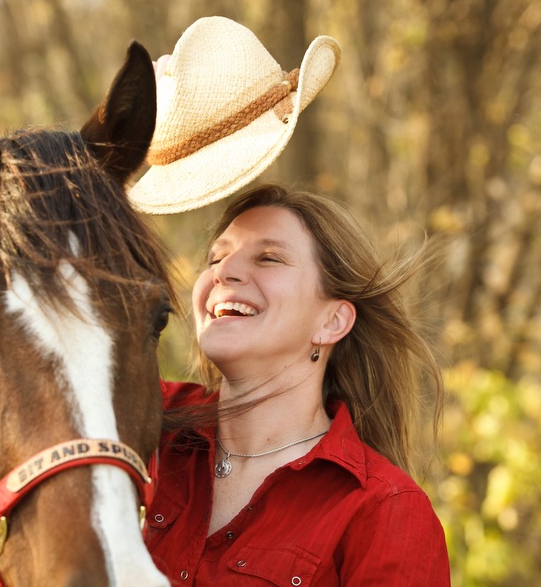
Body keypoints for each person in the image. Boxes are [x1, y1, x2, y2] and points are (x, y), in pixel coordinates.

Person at [144, 184, 450, 585]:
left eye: (269, 258)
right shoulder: (143, 420)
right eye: (216, 257)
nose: (222, 270)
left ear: (332, 322)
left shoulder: (383, 508)